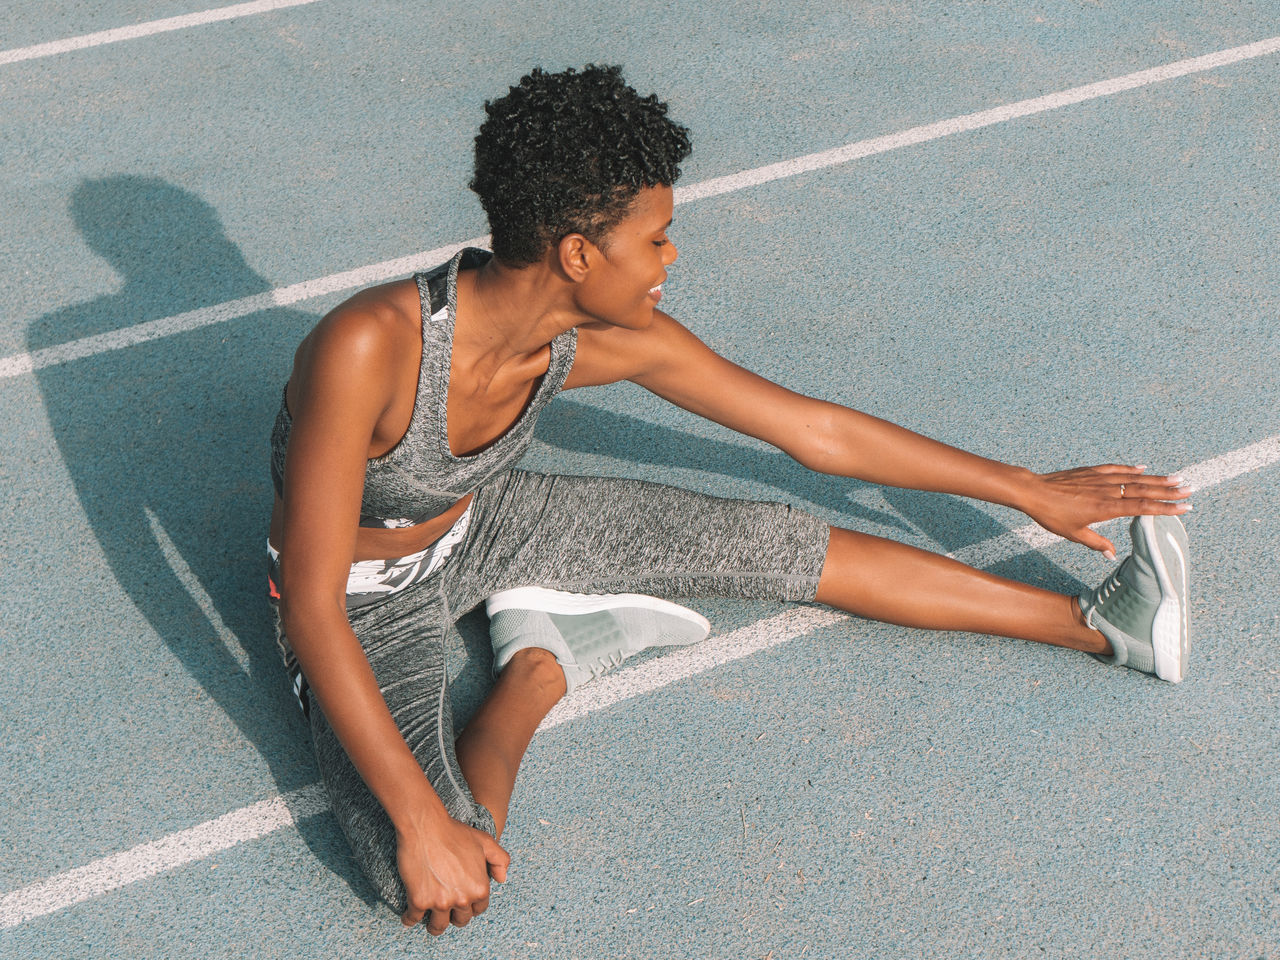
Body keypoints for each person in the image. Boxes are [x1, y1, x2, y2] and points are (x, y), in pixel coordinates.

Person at [266, 64, 1192, 937]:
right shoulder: (370, 346)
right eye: (656, 237)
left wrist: (1023, 488)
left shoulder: (593, 334)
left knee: (773, 543)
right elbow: (311, 608)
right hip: (365, 596)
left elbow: (811, 431)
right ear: (580, 252)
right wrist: (427, 827)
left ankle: (1102, 627)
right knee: (424, 871)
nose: (672, 254)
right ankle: (537, 669)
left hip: (489, 524)